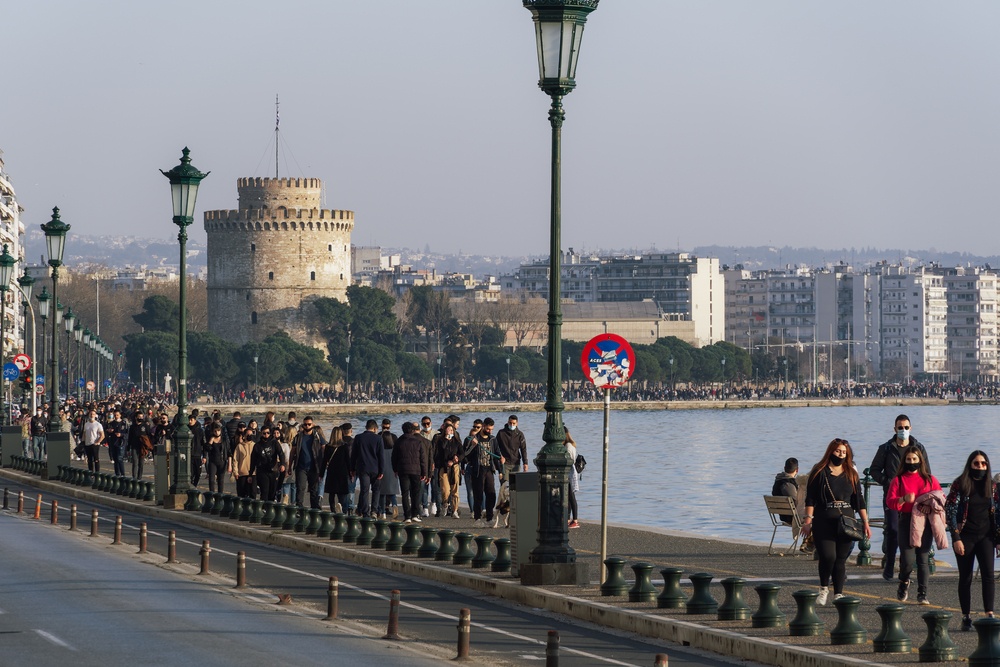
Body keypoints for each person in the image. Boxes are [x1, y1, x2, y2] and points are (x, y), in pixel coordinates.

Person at [802, 438, 870, 606]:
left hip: (846, 520)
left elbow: (859, 500)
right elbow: (810, 499)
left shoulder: (851, 473)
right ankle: (824, 588)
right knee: (828, 556)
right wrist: (808, 520)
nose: (840, 455)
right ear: (831, 451)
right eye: (838, 451)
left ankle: (838, 593)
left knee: (840, 558)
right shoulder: (819, 471)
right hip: (824, 518)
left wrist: (865, 522)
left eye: (844, 452)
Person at [870, 414, 930, 581]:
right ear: (894, 429)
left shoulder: (918, 448)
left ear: (910, 428)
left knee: (912, 531)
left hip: (915, 500)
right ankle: (889, 563)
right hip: (894, 497)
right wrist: (887, 482)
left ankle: (908, 567)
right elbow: (874, 470)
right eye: (900, 427)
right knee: (893, 530)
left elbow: (927, 473)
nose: (903, 430)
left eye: (906, 427)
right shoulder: (886, 448)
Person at [945, 451, 1000, 631]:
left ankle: (989, 614)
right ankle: (966, 616)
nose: (980, 467)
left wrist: (998, 539)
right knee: (966, 577)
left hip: (986, 537)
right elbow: (950, 511)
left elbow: (997, 515)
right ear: (970, 465)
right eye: (976, 464)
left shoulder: (992, 487)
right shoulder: (960, 484)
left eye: (983, 464)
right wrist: (956, 538)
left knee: (988, 576)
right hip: (965, 537)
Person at [886, 444, 945, 605]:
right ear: (904, 461)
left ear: (920, 461)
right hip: (906, 520)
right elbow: (890, 502)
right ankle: (904, 582)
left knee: (923, 558)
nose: (911, 462)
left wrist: (930, 506)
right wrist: (903, 499)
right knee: (907, 559)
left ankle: (922, 593)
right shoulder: (898, 480)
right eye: (908, 459)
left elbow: (940, 498)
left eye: (914, 459)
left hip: (925, 521)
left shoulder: (930, 480)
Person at [462, 417, 504, 526]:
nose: (490, 431)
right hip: (477, 470)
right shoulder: (474, 438)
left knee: (491, 494)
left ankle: (489, 518)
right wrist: (472, 446)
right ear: (484, 426)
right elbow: (465, 455)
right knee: (478, 494)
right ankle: (477, 518)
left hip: (489, 469)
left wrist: (500, 468)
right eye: (488, 429)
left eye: (491, 429)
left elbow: (497, 454)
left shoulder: (493, 439)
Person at [392, 422, 427, 524]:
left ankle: (407, 516)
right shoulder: (417, 442)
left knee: (405, 493)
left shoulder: (399, 442)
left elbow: (394, 457)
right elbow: (422, 459)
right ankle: (415, 514)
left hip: (403, 470)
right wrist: (424, 472)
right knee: (415, 493)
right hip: (416, 470)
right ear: (412, 430)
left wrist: (395, 469)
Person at [289, 416, 327, 508]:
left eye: (309, 424)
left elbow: (324, 449)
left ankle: (314, 508)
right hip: (301, 467)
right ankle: (299, 507)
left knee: (314, 490)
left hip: (314, 467)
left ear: (312, 425)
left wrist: (324, 464)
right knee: (300, 488)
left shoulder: (317, 437)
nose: (307, 426)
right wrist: (289, 466)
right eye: (305, 424)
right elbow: (293, 452)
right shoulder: (298, 437)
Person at [350, 419, 384, 518]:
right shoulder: (378, 438)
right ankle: (374, 510)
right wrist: (381, 470)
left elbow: (354, 455)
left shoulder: (358, 437)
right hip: (376, 468)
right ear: (374, 428)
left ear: (366, 427)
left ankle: (365, 512)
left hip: (363, 467)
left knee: (364, 490)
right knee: (376, 490)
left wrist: (352, 469)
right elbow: (381, 456)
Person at [433, 421, 462, 519]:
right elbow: (437, 454)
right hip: (443, 467)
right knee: (445, 489)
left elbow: (462, 453)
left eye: (452, 430)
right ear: (445, 431)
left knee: (455, 490)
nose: (450, 431)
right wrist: (446, 440)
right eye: (448, 430)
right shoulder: (440, 441)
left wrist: (457, 458)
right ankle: (445, 503)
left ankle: (454, 510)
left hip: (454, 467)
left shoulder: (457, 442)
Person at [250, 425, 285, 503]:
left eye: (268, 433)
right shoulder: (257, 445)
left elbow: (281, 453)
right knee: (265, 490)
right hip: (262, 470)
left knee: (272, 492)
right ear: (261, 434)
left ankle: (270, 507)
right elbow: (253, 460)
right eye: (264, 433)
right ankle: (264, 508)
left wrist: (282, 464)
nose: (266, 435)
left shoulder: (274, 442)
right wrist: (251, 473)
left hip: (273, 470)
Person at [377, 419, 400, 519]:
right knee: (392, 492)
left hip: (382, 469)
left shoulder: (378, 437)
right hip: (392, 468)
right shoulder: (394, 437)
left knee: (381, 492)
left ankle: (383, 512)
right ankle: (394, 505)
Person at [496, 415, 528, 481]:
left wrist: (525, 463)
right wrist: (499, 457)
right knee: (505, 485)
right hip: (504, 463)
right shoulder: (501, 433)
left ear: (517, 423)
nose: (512, 425)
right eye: (510, 423)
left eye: (514, 423)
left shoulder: (520, 434)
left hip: (516, 463)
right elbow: (496, 447)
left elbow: (523, 449)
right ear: (508, 422)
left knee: (515, 486)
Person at [202, 422, 230, 493]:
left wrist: (230, 464)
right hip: (212, 462)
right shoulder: (210, 439)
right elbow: (206, 449)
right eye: (215, 431)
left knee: (221, 480)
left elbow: (229, 451)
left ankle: (220, 496)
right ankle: (212, 495)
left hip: (222, 461)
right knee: (211, 480)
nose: (217, 433)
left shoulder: (224, 439)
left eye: (218, 431)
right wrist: (211, 441)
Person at [772, 457, 800, 526]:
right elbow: (797, 501)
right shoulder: (788, 484)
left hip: (783, 515)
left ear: (784, 468)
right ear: (797, 470)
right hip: (792, 517)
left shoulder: (777, 481)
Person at [230, 427, 256, 499]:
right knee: (241, 493)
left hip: (253, 473)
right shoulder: (239, 446)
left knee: (253, 492)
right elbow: (235, 460)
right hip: (242, 473)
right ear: (244, 436)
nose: (249, 436)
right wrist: (235, 472)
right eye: (248, 434)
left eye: (251, 434)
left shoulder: (255, 445)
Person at [565, 427, 580, 529]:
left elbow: (570, 460)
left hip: (569, 473)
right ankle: (568, 519)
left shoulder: (568, 446)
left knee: (571, 496)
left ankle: (574, 520)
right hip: (570, 472)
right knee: (569, 496)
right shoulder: (570, 445)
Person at [188, 413, 205, 488]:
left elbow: (203, 443)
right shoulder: (187, 430)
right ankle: (191, 486)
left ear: (195, 420)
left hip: (197, 454)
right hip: (189, 455)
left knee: (198, 473)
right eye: (189, 420)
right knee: (191, 473)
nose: (190, 421)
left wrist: (204, 456)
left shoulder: (200, 430)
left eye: (192, 420)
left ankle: (194, 485)